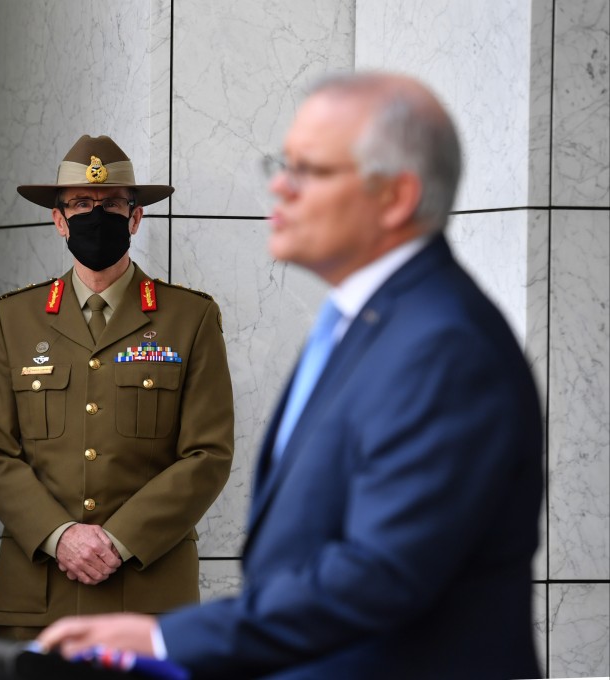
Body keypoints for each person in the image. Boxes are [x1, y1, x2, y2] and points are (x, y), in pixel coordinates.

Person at [38, 73, 544, 679]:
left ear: (397, 196)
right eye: (282, 164)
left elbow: (379, 576)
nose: (280, 186)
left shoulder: (443, 345)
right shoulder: (365, 323)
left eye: (309, 170)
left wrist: (168, 639)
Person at [0, 135, 234, 641]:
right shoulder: (14, 318)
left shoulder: (190, 318)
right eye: (81, 204)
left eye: (111, 204)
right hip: (39, 592)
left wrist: (118, 540)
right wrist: (60, 535)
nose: (96, 215)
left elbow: (208, 453)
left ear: (135, 218)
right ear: (58, 219)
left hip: (150, 595)